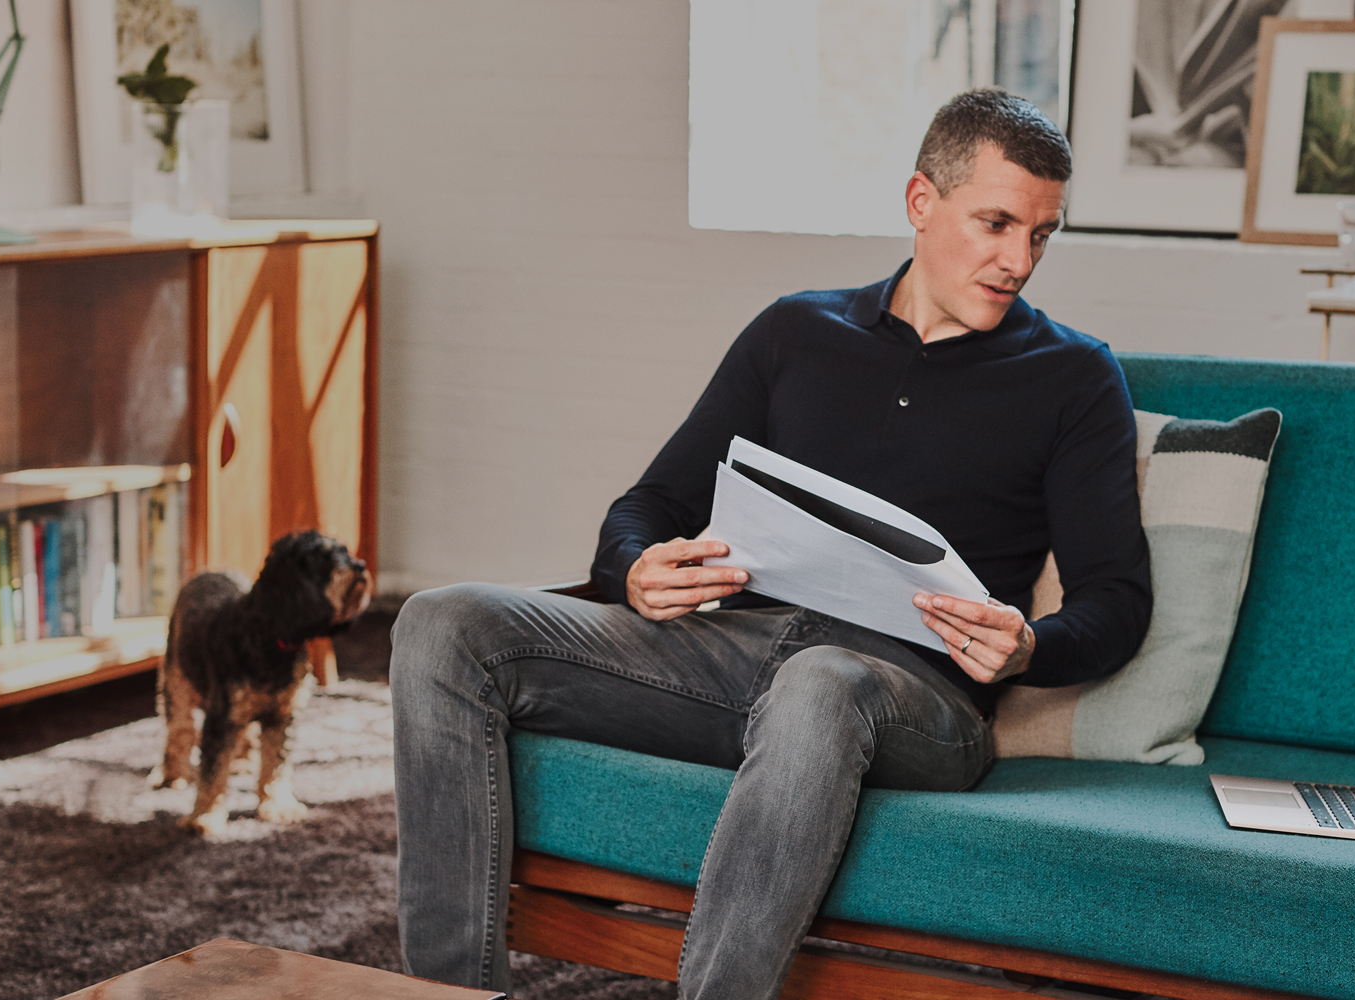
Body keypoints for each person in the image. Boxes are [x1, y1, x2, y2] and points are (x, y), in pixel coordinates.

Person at [391, 87, 1152, 1000]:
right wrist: (633, 568)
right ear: (921, 202)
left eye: (1041, 234)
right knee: (442, 623)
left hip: (915, 699)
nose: (1018, 259)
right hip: (729, 657)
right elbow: (651, 501)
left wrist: (1030, 644)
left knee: (819, 681)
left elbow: (1116, 602)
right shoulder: (798, 331)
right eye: (996, 223)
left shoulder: (1072, 376)